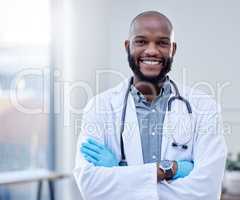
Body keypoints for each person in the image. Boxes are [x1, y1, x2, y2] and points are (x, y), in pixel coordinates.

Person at [74, 11, 227, 200]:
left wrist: (120, 173)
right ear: (127, 46)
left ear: (173, 49)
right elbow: (91, 187)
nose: (152, 50)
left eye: (162, 42)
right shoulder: (98, 107)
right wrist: (170, 169)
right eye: (141, 41)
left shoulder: (205, 107)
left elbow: (206, 191)